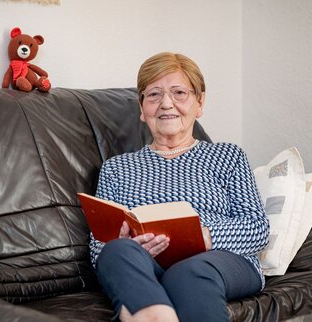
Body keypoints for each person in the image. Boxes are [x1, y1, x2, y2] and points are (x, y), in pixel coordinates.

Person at [89, 52, 269, 322]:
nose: (166, 104)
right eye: (153, 95)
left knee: (188, 272)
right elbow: (98, 247)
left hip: (218, 260)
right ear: (142, 108)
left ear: (200, 103)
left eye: (179, 93)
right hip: (149, 267)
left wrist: (203, 237)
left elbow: (257, 228)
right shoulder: (116, 169)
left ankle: (135, 312)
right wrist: (130, 245)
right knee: (116, 250)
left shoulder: (228, 156)